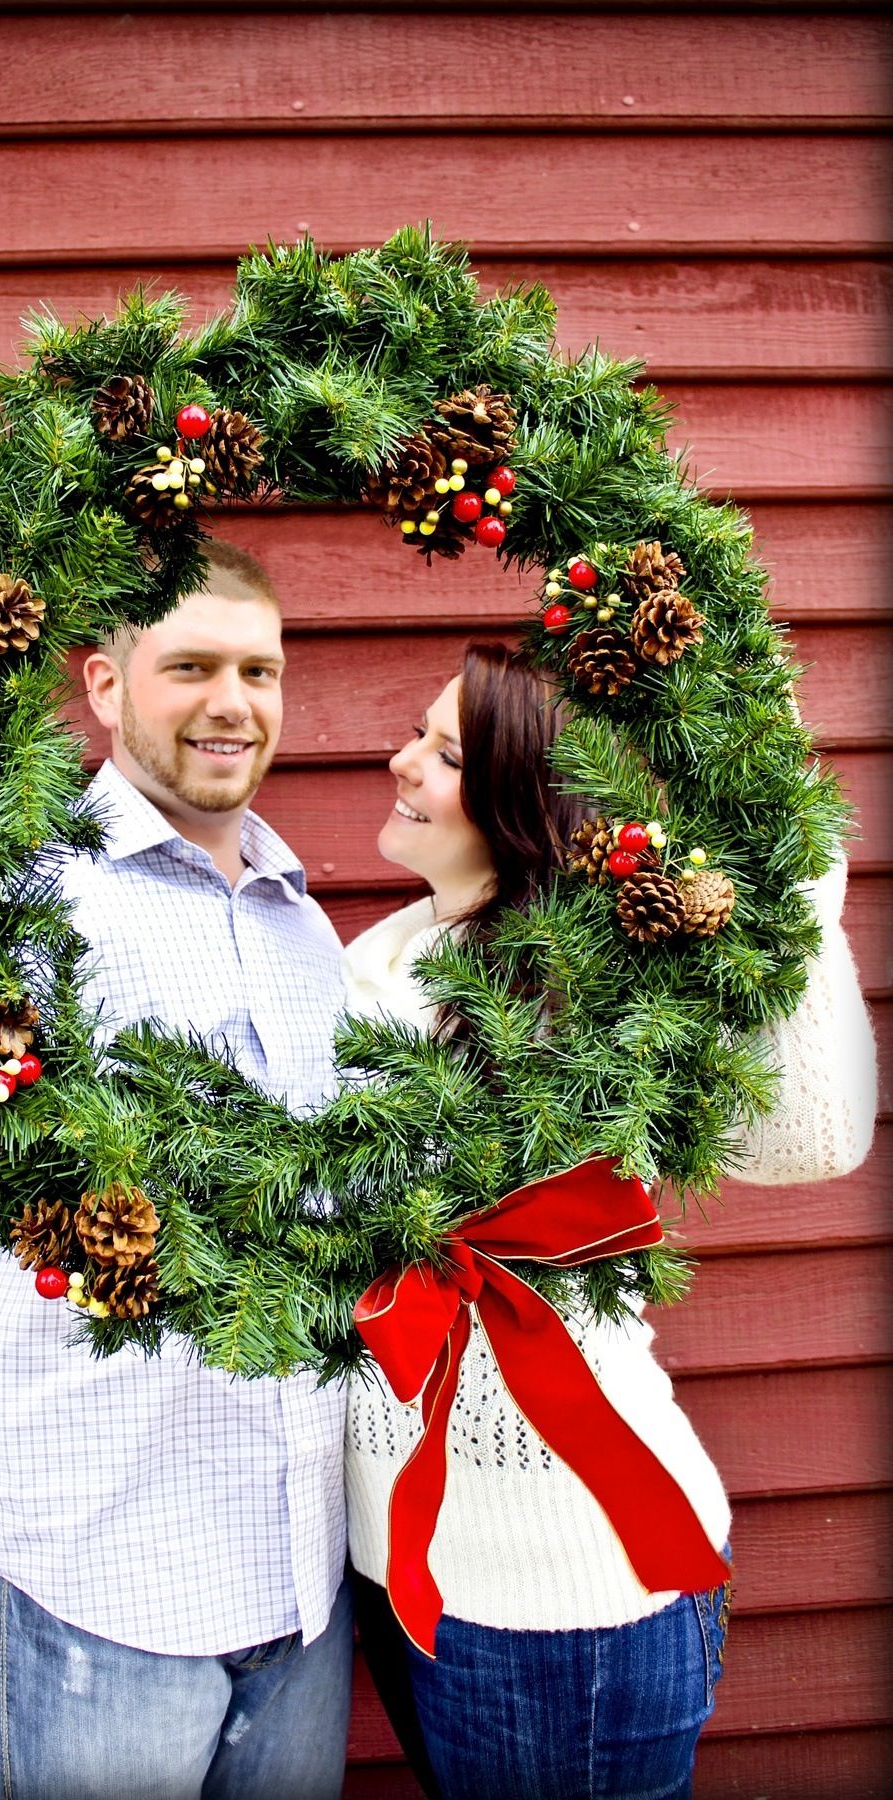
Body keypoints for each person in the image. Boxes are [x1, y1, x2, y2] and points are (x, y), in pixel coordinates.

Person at [0, 543, 354, 1800]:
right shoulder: (6, 889)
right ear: (103, 684)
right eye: (191, 666)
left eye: (260, 670)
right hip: (102, 1575)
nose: (232, 703)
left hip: (305, 1578)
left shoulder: (305, 926)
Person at [342, 642, 877, 1800]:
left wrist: (791, 876)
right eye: (417, 735)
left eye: (444, 752)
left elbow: (806, 1137)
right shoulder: (375, 962)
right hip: (394, 1565)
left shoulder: (602, 993)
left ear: (523, 805)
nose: (401, 761)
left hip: (559, 1589)